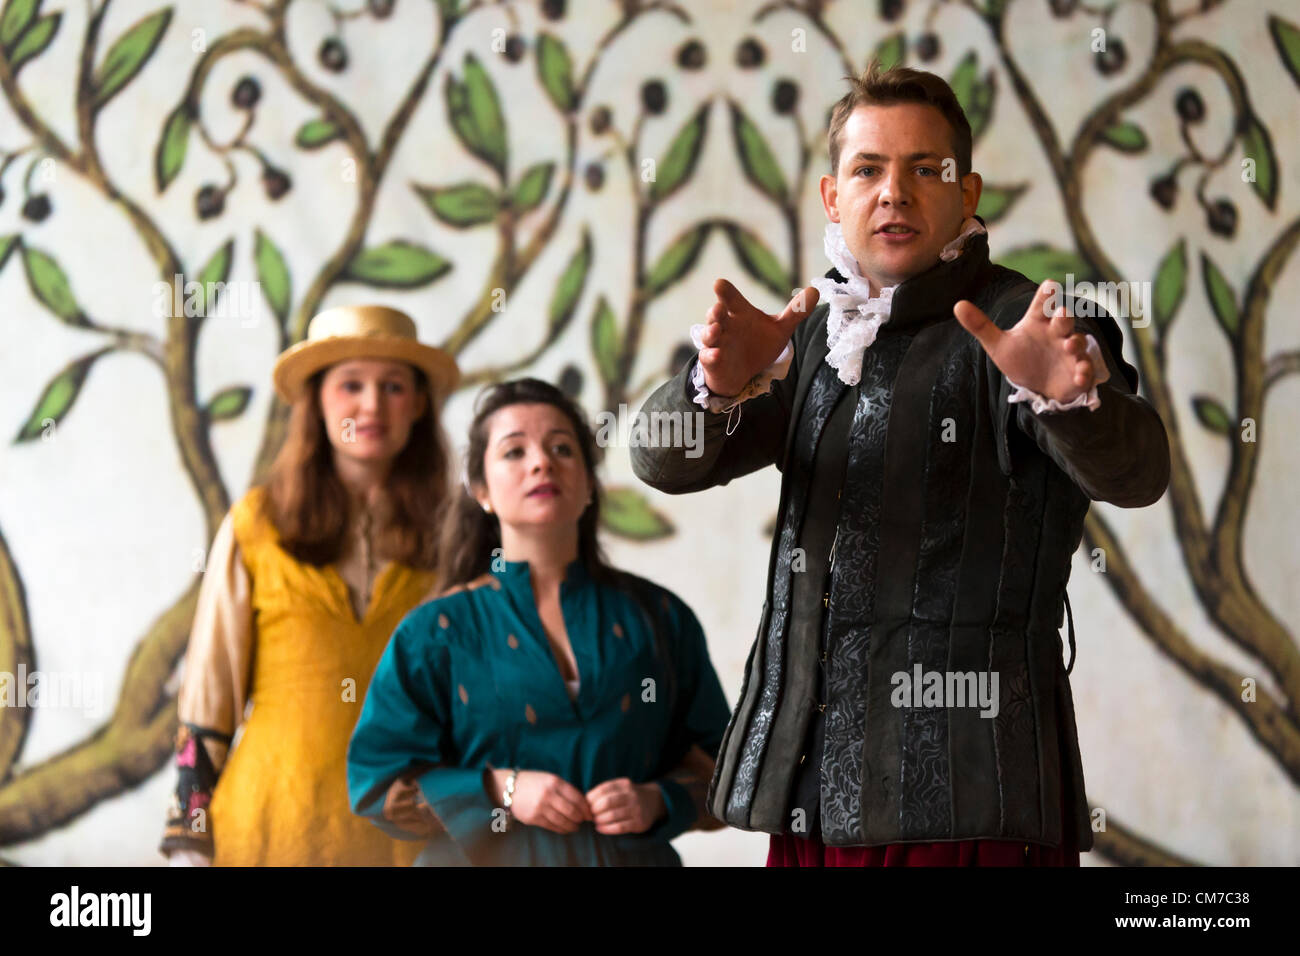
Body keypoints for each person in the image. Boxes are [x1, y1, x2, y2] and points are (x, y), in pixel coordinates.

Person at [631, 62, 1171, 867]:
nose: (895, 192)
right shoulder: (810, 334)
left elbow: (1138, 474)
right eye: (869, 170)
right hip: (811, 800)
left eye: (927, 169)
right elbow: (660, 462)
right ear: (832, 197)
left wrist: (1074, 398)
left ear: (969, 193)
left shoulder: (1038, 325)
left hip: (971, 799)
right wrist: (711, 386)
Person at [346, 377, 731, 866]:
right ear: (480, 490)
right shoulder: (434, 631)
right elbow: (376, 783)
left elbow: (728, 769)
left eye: (561, 448)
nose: (541, 462)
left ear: (590, 484)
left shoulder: (660, 616)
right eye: (513, 452)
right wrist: (498, 788)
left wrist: (658, 800)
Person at [158, 305, 460, 866]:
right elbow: (208, 701)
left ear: (418, 405)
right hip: (266, 831)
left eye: (393, 386)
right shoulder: (256, 524)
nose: (371, 405)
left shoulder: (457, 539)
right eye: (351, 385)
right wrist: (188, 841)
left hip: (411, 846)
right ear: (316, 400)